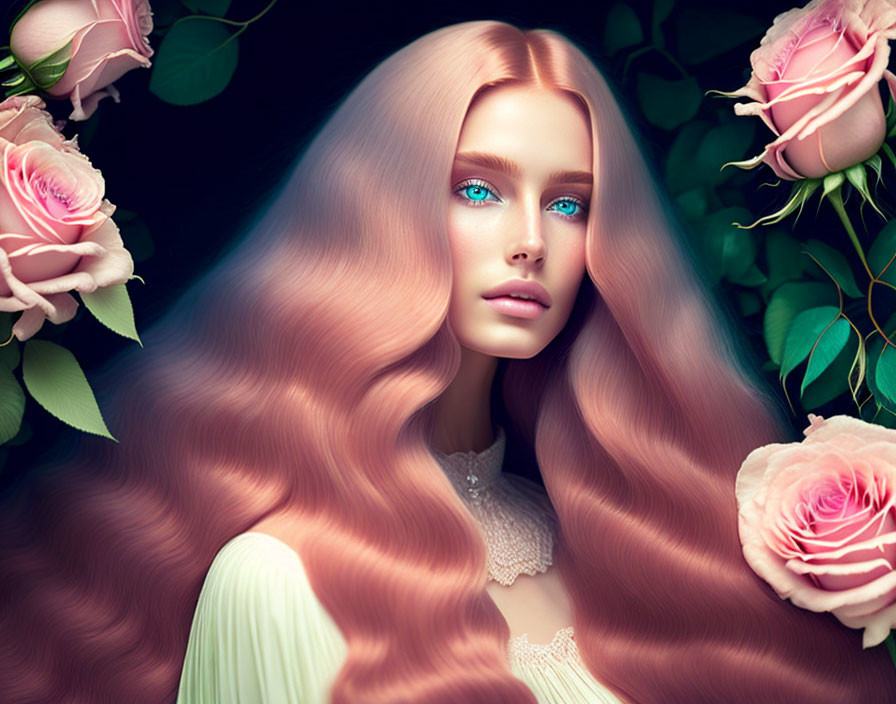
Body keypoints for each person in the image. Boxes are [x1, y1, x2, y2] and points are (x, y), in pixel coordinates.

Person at [0, 20, 893, 704]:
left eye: (572, 204)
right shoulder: (274, 581)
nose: (531, 242)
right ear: (379, 210)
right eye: (479, 189)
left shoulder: (602, 534)